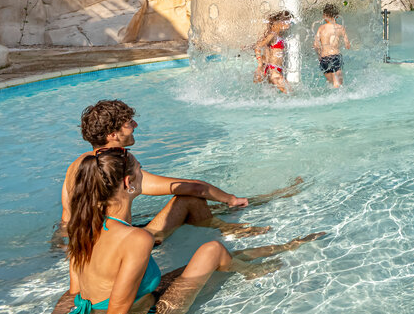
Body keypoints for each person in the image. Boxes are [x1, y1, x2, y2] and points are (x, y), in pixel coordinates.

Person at [9, 147, 325, 314]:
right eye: (142, 172)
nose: (145, 177)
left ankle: (290, 244)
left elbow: (76, 292)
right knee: (213, 249)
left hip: (124, 311)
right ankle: (253, 271)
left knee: (214, 258)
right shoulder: (135, 239)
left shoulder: (83, 228)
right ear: (130, 183)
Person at [59, 100, 301, 245]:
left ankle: (236, 211)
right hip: (126, 247)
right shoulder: (122, 166)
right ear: (112, 135)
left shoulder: (77, 166)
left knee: (200, 203)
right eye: (128, 123)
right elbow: (192, 187)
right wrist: (231, 198)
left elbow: (66, 220)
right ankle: (234, 223)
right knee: (189, 199)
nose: (135, 126)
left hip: (87, 247)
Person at [255, 9, 295, 94]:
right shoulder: (272, 34)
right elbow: (258, 46)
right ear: (282, 22)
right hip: (273, 71)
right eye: (288, 21)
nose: (290, 24)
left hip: (276, 70)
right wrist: (259, 65)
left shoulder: (279, 34)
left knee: (273, 97)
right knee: (291, 93)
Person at [313, 3, 352, 87]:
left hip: (324, 58)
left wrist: (319, 55)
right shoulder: (340, 28)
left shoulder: (321, 28)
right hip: (335, 56)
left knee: (331, 84)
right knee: (338, 84)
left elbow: (316, 45)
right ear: (337, 16)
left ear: (324, 16)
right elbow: (347, 45)